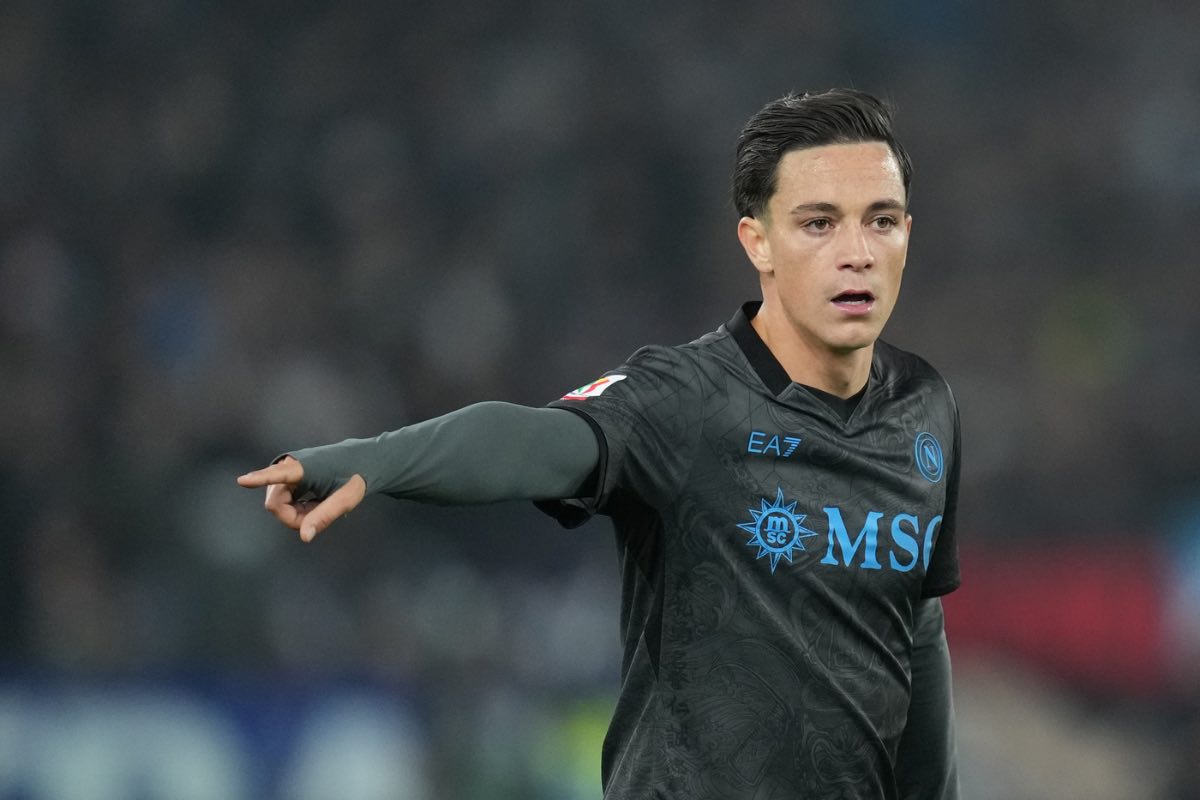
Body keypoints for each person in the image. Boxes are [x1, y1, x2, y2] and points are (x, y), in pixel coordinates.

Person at [239, 88, 961, 800]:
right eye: (819, 223)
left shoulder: (923, 407)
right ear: (759, 242)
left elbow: (913, 629)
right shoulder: (688, 397)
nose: (857, 253)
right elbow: (535, 440)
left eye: (881, 221)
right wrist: (374, 460)